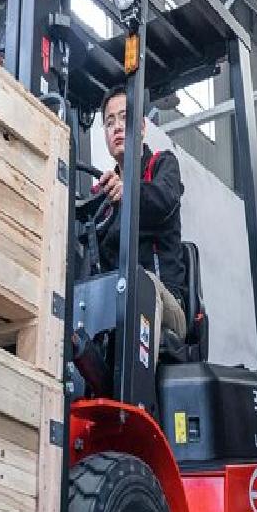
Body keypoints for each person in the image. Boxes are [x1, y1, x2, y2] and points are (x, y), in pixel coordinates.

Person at [96, 85, 188, 341]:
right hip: (119, 298)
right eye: (109, 122)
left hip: (166, 301)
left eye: (125, 118)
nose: (117, 127)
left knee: (139, 285)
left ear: (143, 127)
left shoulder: (162, 165)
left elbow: (164, 200)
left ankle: (136, 369)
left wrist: (128, 192)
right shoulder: (103, 193)